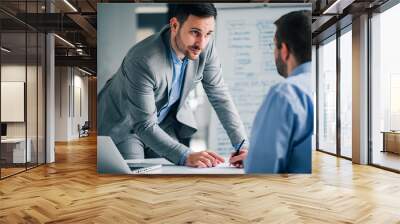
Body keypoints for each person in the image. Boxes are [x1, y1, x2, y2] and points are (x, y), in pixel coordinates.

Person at [98, 3, 247, 168]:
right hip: (126, 123)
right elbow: (143, 125)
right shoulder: (142, 60)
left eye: (208, 34)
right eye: (195, 32)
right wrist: (185, 154)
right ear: (175, 25)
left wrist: (242, 146)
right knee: (136, 174)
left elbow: (220, 95)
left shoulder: (205, 47)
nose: (201, 43)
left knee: (177, 170)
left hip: (162, 124)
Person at [229, 10, 313, 173]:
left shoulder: (286, 94)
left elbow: (261, 173)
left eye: (274, 46)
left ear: (284, 49)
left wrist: (255, 160)